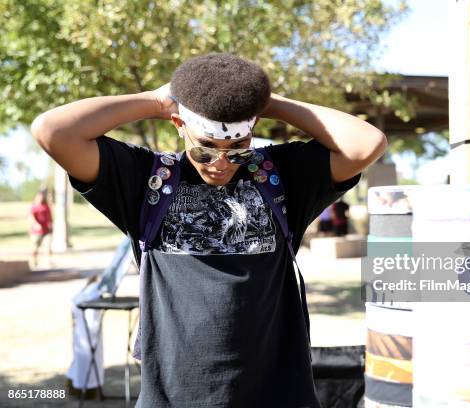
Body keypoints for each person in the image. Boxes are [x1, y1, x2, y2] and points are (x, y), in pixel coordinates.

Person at [31, 53, 386, 407]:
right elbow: (53, 131)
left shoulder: (279, 175)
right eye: (205, 150)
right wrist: (154, 101)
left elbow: (366, 144)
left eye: (237, 150)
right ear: (178, 124)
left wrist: (267, 102)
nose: (220, 164)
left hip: (278, 395)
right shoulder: (147, 180)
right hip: (173, 397)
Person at [30, 188, 52, 267]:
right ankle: (34, 262)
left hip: (46, 231)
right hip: (36, 232)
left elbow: (50, 217)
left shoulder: (46, 206)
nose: (41, 198)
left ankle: (49, 262)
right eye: (39, 197)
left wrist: (51, 225)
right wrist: (36, 224)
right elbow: (31, 217)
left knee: (48, 246)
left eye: (42, 197)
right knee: (35, 248)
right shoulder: (34, 207)